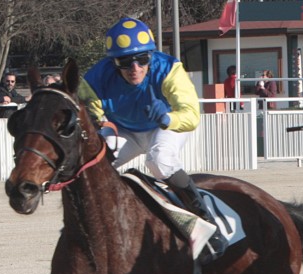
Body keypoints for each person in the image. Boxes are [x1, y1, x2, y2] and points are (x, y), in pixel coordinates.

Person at [77, 17, 225, 256]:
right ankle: (84, 226)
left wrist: (167, 118)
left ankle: (205, 222)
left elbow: (191, 115)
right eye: (125, 62)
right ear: (113, 63)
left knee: (159, 160)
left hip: (163, 126)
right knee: (92, 165)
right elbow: (96, 116)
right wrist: (105, 129)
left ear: (151, 57)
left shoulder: (169, 69)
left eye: (142, 60)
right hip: (124, 130)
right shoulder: (94, 80)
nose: (134, 68)